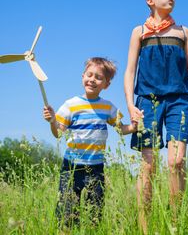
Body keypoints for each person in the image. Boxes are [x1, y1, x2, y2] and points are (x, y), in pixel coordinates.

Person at [124, 0, 188, 233]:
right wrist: (130, 105)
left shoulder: (183, 32)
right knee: (149, 165)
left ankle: (175, 224)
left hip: (179, 99)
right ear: (150, 0)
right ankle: (144, 227)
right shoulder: (139, 31)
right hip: (147, 101)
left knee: (177, 162)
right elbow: (130, 71)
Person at [43, 57, 142, 228]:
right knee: (66, 215)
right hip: (71, 167)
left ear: (106, 84)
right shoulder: (71, 105)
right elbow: (58, 133)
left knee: (94, 216)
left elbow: (120, 129)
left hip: (96, 168)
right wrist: (53, 121)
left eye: (98, 77)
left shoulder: (107, 107)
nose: (92, 80)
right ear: (83, 77)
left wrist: (134, 126)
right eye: (89, 75)